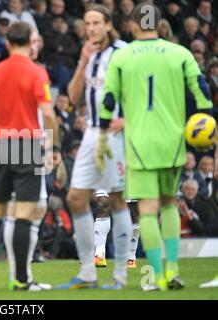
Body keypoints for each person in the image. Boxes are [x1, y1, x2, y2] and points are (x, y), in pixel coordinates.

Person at [97, 3, 212, 291]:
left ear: (133, 25)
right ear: (160, 25)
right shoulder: (180, 53)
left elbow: (109, 99)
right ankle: (173, 270)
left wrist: (102, 133)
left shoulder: (122, 56)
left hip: (138, 142)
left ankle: (157, 276)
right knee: (169, 203)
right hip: (172, 141)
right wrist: (207, 120)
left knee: (147, 210)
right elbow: (202, 88)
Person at [0, 22, 59, 291]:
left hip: (0, 145)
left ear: (6, 43)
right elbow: (50, 114)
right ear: (30, 41)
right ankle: (21, 279)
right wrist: (53, 149)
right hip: (27, 145)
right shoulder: (37, 72)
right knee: (23, 213)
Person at [58, 5, 133, 290]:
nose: (91, 28)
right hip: (91, 131)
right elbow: (74, 96)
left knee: (116, 199)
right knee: (76, 198)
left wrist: (128, 120)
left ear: (108, 24)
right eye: (88, 23)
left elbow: (139, 91)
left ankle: (120, 276)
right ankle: (88, 271)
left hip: (115, 132)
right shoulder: (88, 54)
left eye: (96, 23)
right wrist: (81, 62)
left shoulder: (123, 52)